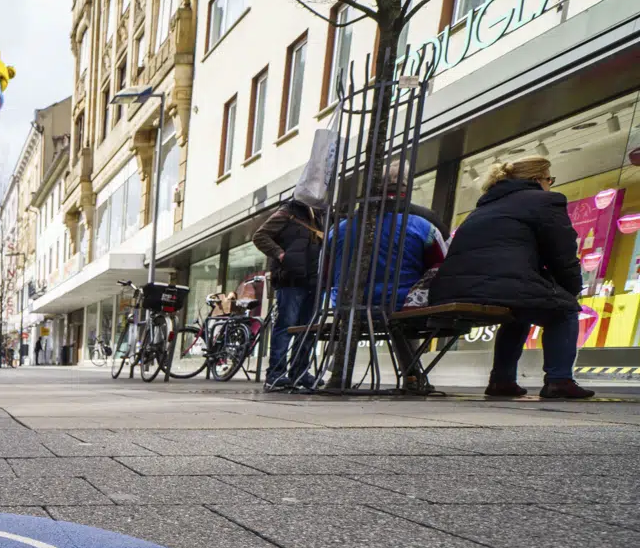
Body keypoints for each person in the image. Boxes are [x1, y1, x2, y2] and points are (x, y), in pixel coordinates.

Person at [428, 156, 593, 400]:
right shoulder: (545, 201)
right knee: (564, 311)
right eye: (550, 179)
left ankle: (502, 380)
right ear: (538, 179)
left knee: (519, 310)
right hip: (499, 285)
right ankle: (559, 380)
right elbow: (562, 253)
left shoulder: (482, 208)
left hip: (453, 288)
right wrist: (571, 290)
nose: (551, 184)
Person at [329, 202, 447, 393]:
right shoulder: (421, 225)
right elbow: (440, 265)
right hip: (399, 305)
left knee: (354, 315)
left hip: (349, 306)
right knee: (406, 311)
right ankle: (411, 375)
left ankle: (339, 372)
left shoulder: (339, 229)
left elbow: (325, 272)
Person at [252, 199, 323, 390]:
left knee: (307, 329)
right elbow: (260, 236)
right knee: (286, 326)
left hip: (314, 280)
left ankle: (299, 372)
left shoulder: (321, 215)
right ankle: (276, 374)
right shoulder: (288, 211)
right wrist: (281, 255)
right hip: (291, 279)